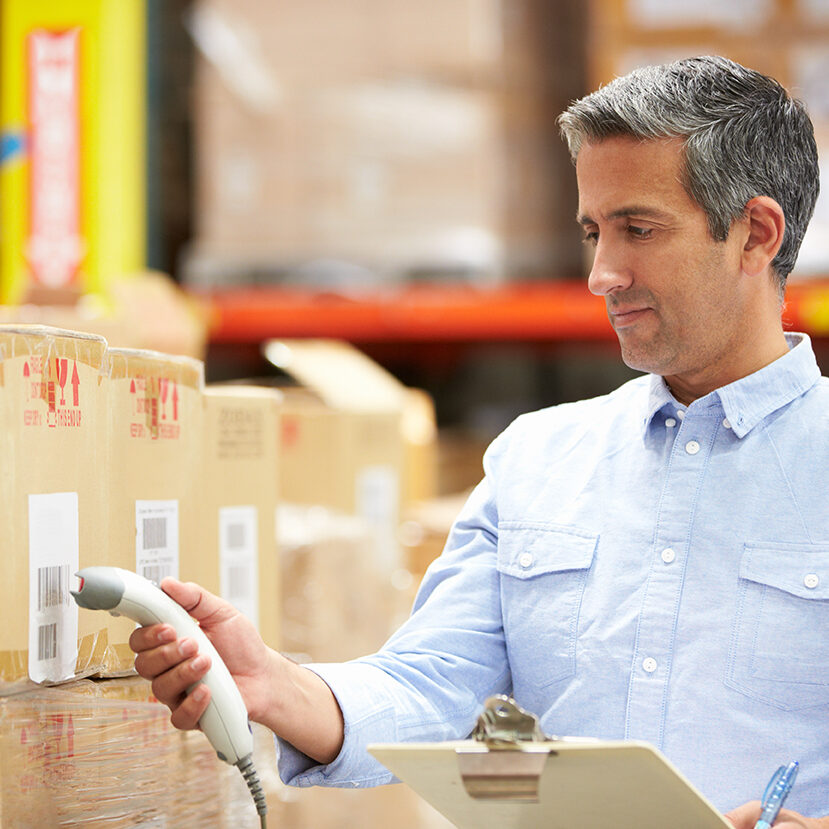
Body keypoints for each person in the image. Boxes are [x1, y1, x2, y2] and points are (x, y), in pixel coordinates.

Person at [131, 56, 829, 827]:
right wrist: (270, 683)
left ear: (754, 234)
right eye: (593, 231)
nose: (601, 273)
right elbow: (432, 686)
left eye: (637, 228)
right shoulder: (537, 458)